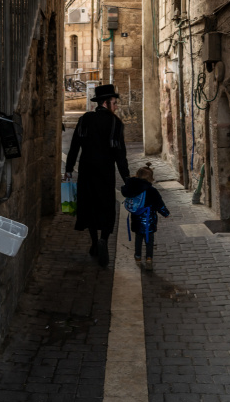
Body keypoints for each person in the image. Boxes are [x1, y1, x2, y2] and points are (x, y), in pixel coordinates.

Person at [64, 83, 129, 267]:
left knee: (90, 205)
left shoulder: (85, 119)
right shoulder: (115, 123)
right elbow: (120, 154)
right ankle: (104, 240)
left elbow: (74, 146)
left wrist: (69, 169)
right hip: (105, 172)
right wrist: (127, 178)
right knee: (107, 207)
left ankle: (94, 242)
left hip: (86, 171)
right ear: (106, 103)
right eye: (114, 103)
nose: (116, 106)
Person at [121, 161, 170, 270]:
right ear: (150, 178)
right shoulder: (151, 191)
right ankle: (149, 258)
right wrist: (165, 213)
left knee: (138, 239)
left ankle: (138, 257)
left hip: (136, 220)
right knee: (149, 240)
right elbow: (159, 204)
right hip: (149, 220)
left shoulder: (132, 188)